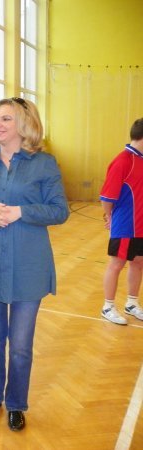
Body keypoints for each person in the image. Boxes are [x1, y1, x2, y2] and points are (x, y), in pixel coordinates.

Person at [0, 97, 69, 431]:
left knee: (20, 345)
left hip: (27, 265)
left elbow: (59, 210)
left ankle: (17, 403)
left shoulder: (44, 164)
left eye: (6, 118)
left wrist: (20, 212)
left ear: (24, 123)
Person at [99, 118, 143, 325]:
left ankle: (132, 303)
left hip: (141, 226)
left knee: (139, 262)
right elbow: (107, 197)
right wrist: (109, 217)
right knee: (117, 264)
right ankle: (108, 306)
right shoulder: (123, 161)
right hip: (126, 225)